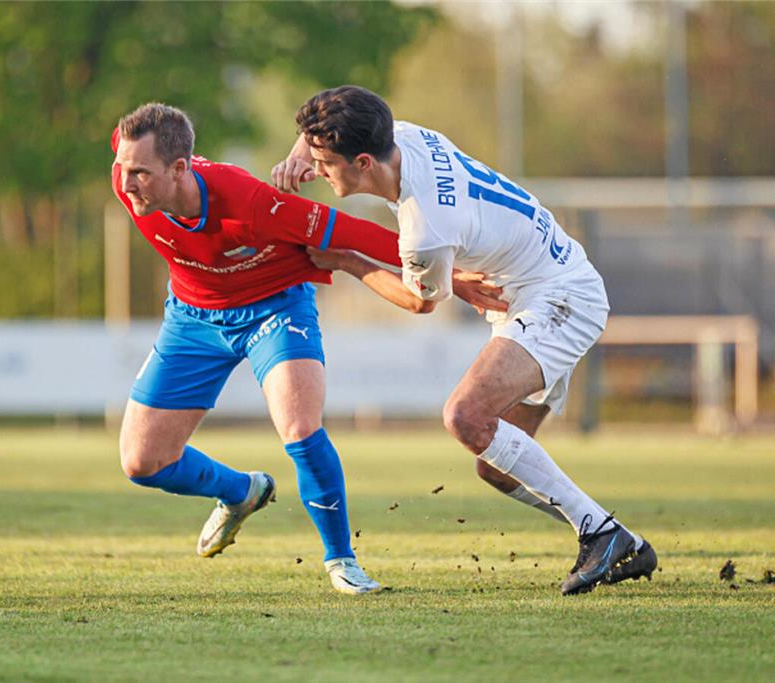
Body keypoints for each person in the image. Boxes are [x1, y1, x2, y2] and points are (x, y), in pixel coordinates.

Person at [272, 86, 657, 595]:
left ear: (362, 162)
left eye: (324, 162)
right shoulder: (402, 135)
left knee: (465, 417)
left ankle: (601, 534)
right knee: (494, 469)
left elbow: (420, 303)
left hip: (560, 297)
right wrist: (297, 153)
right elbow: (330, 121)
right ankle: (614, 537)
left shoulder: (425, 228)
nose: (318, 171)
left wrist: (347, 260)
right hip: (537, 284)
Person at [111, 103, 504, 595]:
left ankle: (342, 561)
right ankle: (241, 492)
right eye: (124, 169)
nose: (126, 184)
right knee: (142, 463)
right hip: (192, 317)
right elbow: (125, 149)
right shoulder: (127, 170)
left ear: (180, 169)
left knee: (299, 426)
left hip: (273, 308)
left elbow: (355, 233)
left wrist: (451, 278)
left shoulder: (251, 203)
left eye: (140, 173)